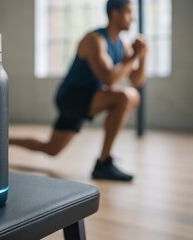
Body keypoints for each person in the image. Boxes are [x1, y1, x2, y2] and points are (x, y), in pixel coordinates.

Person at [9, 0, 148, 181]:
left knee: (52, 148)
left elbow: (137, 80)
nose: (133, 17)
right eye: (129, 12)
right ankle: (103, 163)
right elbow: (108, 78)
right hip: (72, 97)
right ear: (115, 14)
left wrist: (143, 55)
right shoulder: (94, 40)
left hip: (90, 97)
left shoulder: (123, 44)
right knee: (126, 97)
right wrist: (135, 56)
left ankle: (2, 141)